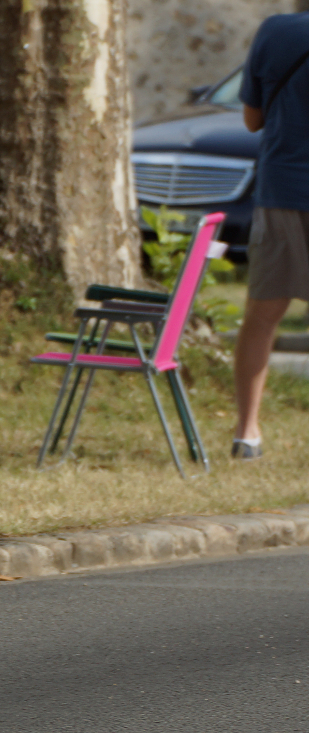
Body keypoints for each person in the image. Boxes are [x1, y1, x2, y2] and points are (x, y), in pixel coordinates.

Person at [231, 10, 309, 460]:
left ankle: (247, 434)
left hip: (282, 190)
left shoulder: (275, 30)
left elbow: (251, 120)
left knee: (262, 316)